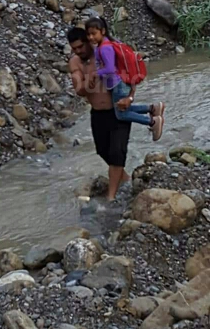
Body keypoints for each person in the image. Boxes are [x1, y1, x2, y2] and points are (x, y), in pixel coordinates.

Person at [67, 26, 134, 202]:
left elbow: (130, 76)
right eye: (74, 48)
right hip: (97, 113)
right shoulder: (75, 62)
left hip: (118, 110)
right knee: (103, 151)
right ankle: (125, 180)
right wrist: (88, 81)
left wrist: (131, 98)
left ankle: (111, 197)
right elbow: (80, 91)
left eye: (81, 46)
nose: (78, 51)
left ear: (89, 41)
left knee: (117, 152)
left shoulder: (105, 53)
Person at [85, 16, 165, 142]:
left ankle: (152, 121)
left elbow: (110, 69)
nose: (91, 37)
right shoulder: (105, 44)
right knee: (122, 109)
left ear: (103, 31)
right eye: (88, 35)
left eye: (94, 34)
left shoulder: (105, 48)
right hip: (119, 83)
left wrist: (95, 74)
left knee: (121, 114)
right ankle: (153, 108)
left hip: (118, 85)